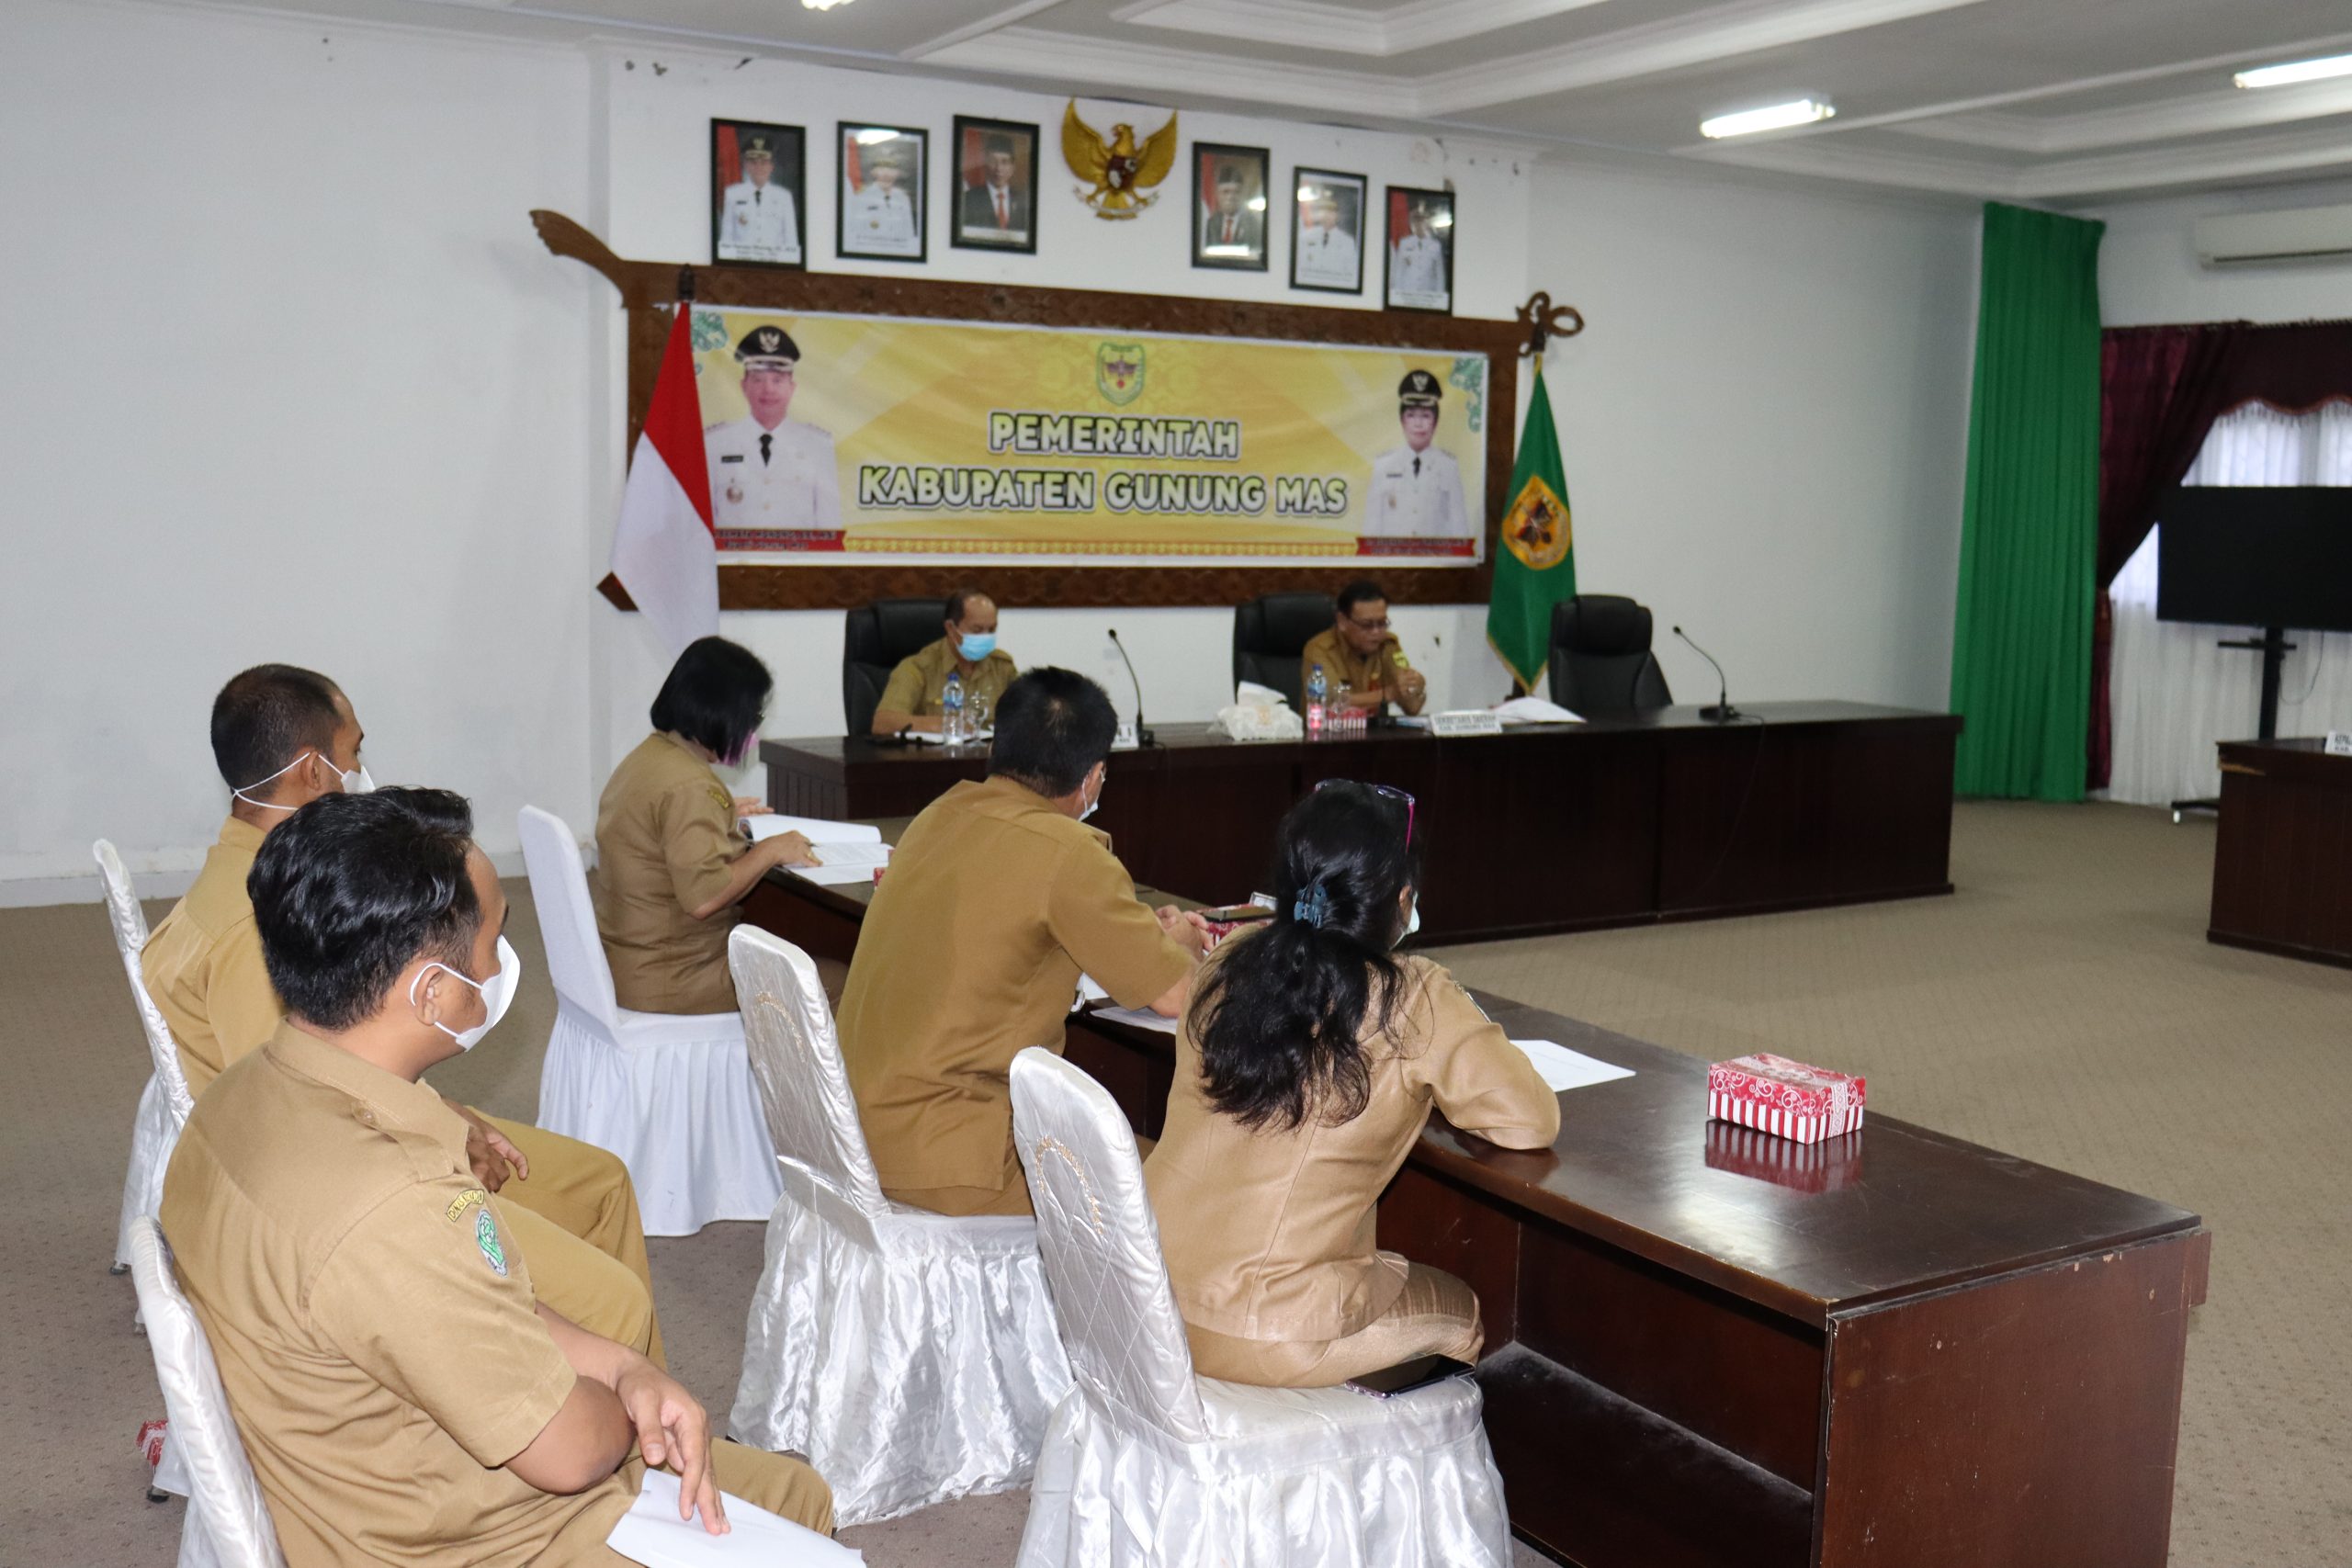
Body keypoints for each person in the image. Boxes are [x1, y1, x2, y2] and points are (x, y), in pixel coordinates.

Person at [160, 788, 833, 1565]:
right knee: (801, 1500)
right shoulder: (396, 1204)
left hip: (371, 1477)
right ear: (431, 991)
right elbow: (571, 1451)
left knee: (761, 1477)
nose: (501, 965)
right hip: (475, 1539)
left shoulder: (238, 1097)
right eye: (491, 942)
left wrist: (623, 1363)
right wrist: (627, 1399)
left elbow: (469, 1309)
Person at [142, 664, 667, 1360]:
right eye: (352, 752)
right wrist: (445, 1138)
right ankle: (622, 1419)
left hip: (379, 1123)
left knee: (600, 1179)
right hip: (363, 1183)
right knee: (614, 1293)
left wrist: (444, 1109)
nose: (360, 770)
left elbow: (343, 1050)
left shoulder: (246, 876)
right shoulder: (260, 922)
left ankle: (594, 1386)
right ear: (310, 769)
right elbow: (301, 1108)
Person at [1145, 781, 1559, 1386]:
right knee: (1465, 1312)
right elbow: (1530, 1121)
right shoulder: (1412, 994)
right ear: (1402, 897)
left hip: (1151, 1297)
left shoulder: (1227, 957)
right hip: (1273, 1334)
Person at [838, 668, 1207, 1217]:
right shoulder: (1071, 852)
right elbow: (1177, 998)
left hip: (856, 1130)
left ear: (998, 745)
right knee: (1177, 1183)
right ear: (1094, 775)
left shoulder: (937, 814)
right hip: (955, 1155)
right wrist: (1182, 944)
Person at [594, 637, 818, 1017]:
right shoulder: (692, 786)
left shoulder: (649, 758)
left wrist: (724, 814)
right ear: (722, 713)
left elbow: (663, 833)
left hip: (633, 964)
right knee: (833, 983)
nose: (752, 730)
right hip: (677, 978)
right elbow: (703, 899)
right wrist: (770, 850)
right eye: (752, 717)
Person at [704, 324, 842, 533]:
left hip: (797, 563)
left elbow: (829, 528)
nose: (768, 389)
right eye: (758, 380)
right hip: (733, 562)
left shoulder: (818, 445)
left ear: (791, 388)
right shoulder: (715, 443)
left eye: (777, 380)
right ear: (743, 386)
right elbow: (703, 524)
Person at [870, 588, 1018, 736]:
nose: (986, 637)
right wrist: (945, 724)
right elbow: (883, 723)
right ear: (951, 628)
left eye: (991, 630)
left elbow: (1028, 718)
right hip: (933, 757)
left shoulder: (1002, 667)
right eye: (977, 630)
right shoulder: (918, 668)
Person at [1364, 368, 1470, 539]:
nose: (1418, 424)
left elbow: (1459, 525)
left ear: (1435, 422)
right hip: (1392, 561)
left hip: (1437, 561)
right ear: (1402, 420)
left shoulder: (1448, 466)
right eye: (1411, 415)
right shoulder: (1384, 465)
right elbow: (1372, 525)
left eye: (1426, 416)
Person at [1299, 580, 1429, 717]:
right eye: (1367, 625)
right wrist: (1388, 694)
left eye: (1382, 623)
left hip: (1375, 734)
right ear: (1342, 621)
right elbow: (1331, 703)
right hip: (1327, 734)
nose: (1376, 632)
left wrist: (1415, 688)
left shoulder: (1388, 645)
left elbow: (1413, 709)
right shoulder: (1320, 649)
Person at [716, 133, 800, 265]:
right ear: (746, 166)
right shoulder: (732, 194)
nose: (758, 167)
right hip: (740, 265)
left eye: (764, 162)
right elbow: (727, 238)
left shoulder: (784, 197)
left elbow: (790, 240)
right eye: (753, 162)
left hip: (776, 266)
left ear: (771, 167)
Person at [845, 147, 920, 255]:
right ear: (873, 171)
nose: (886, 173)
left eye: (891, 168)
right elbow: (854, 234)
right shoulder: (861, 198)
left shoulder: (903, 199)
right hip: (869, 254)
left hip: (899, 256)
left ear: (898, 172)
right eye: (881, 167)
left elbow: (909, 234)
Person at [958, 133, 1028, 239]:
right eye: (993, 161)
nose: (998, 168)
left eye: (1004, 162)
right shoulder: (968, 199)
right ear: (985, 164)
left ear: (1012, 167)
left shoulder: (1023, 201)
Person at [1295, 193, 1359, 287]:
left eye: (1331, 212)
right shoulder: (1305, 237)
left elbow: (1351, 272)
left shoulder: (1347, 241)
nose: (1327, 216)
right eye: (1324, 211)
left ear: (1337, 215)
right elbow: (1299, 267)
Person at [1200, 162, 1261, 257]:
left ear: (1242, 194)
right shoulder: (1211, 223)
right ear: (1217, 195)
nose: (1231, 197)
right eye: (1225, 192)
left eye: (1236, 192)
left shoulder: (1253, 225)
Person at [1389, 203, 1446, 301]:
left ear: (1426, 223)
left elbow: (1440, 275)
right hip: (1407, 294)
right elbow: (1399, 271)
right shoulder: (1404, 243)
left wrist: (1439, 298)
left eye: (1421, 221)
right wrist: (1397, 296)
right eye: (1415, 221)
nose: (1418, 224)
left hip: (1428, 296)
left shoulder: (1435, 246)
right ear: (1411, 224)